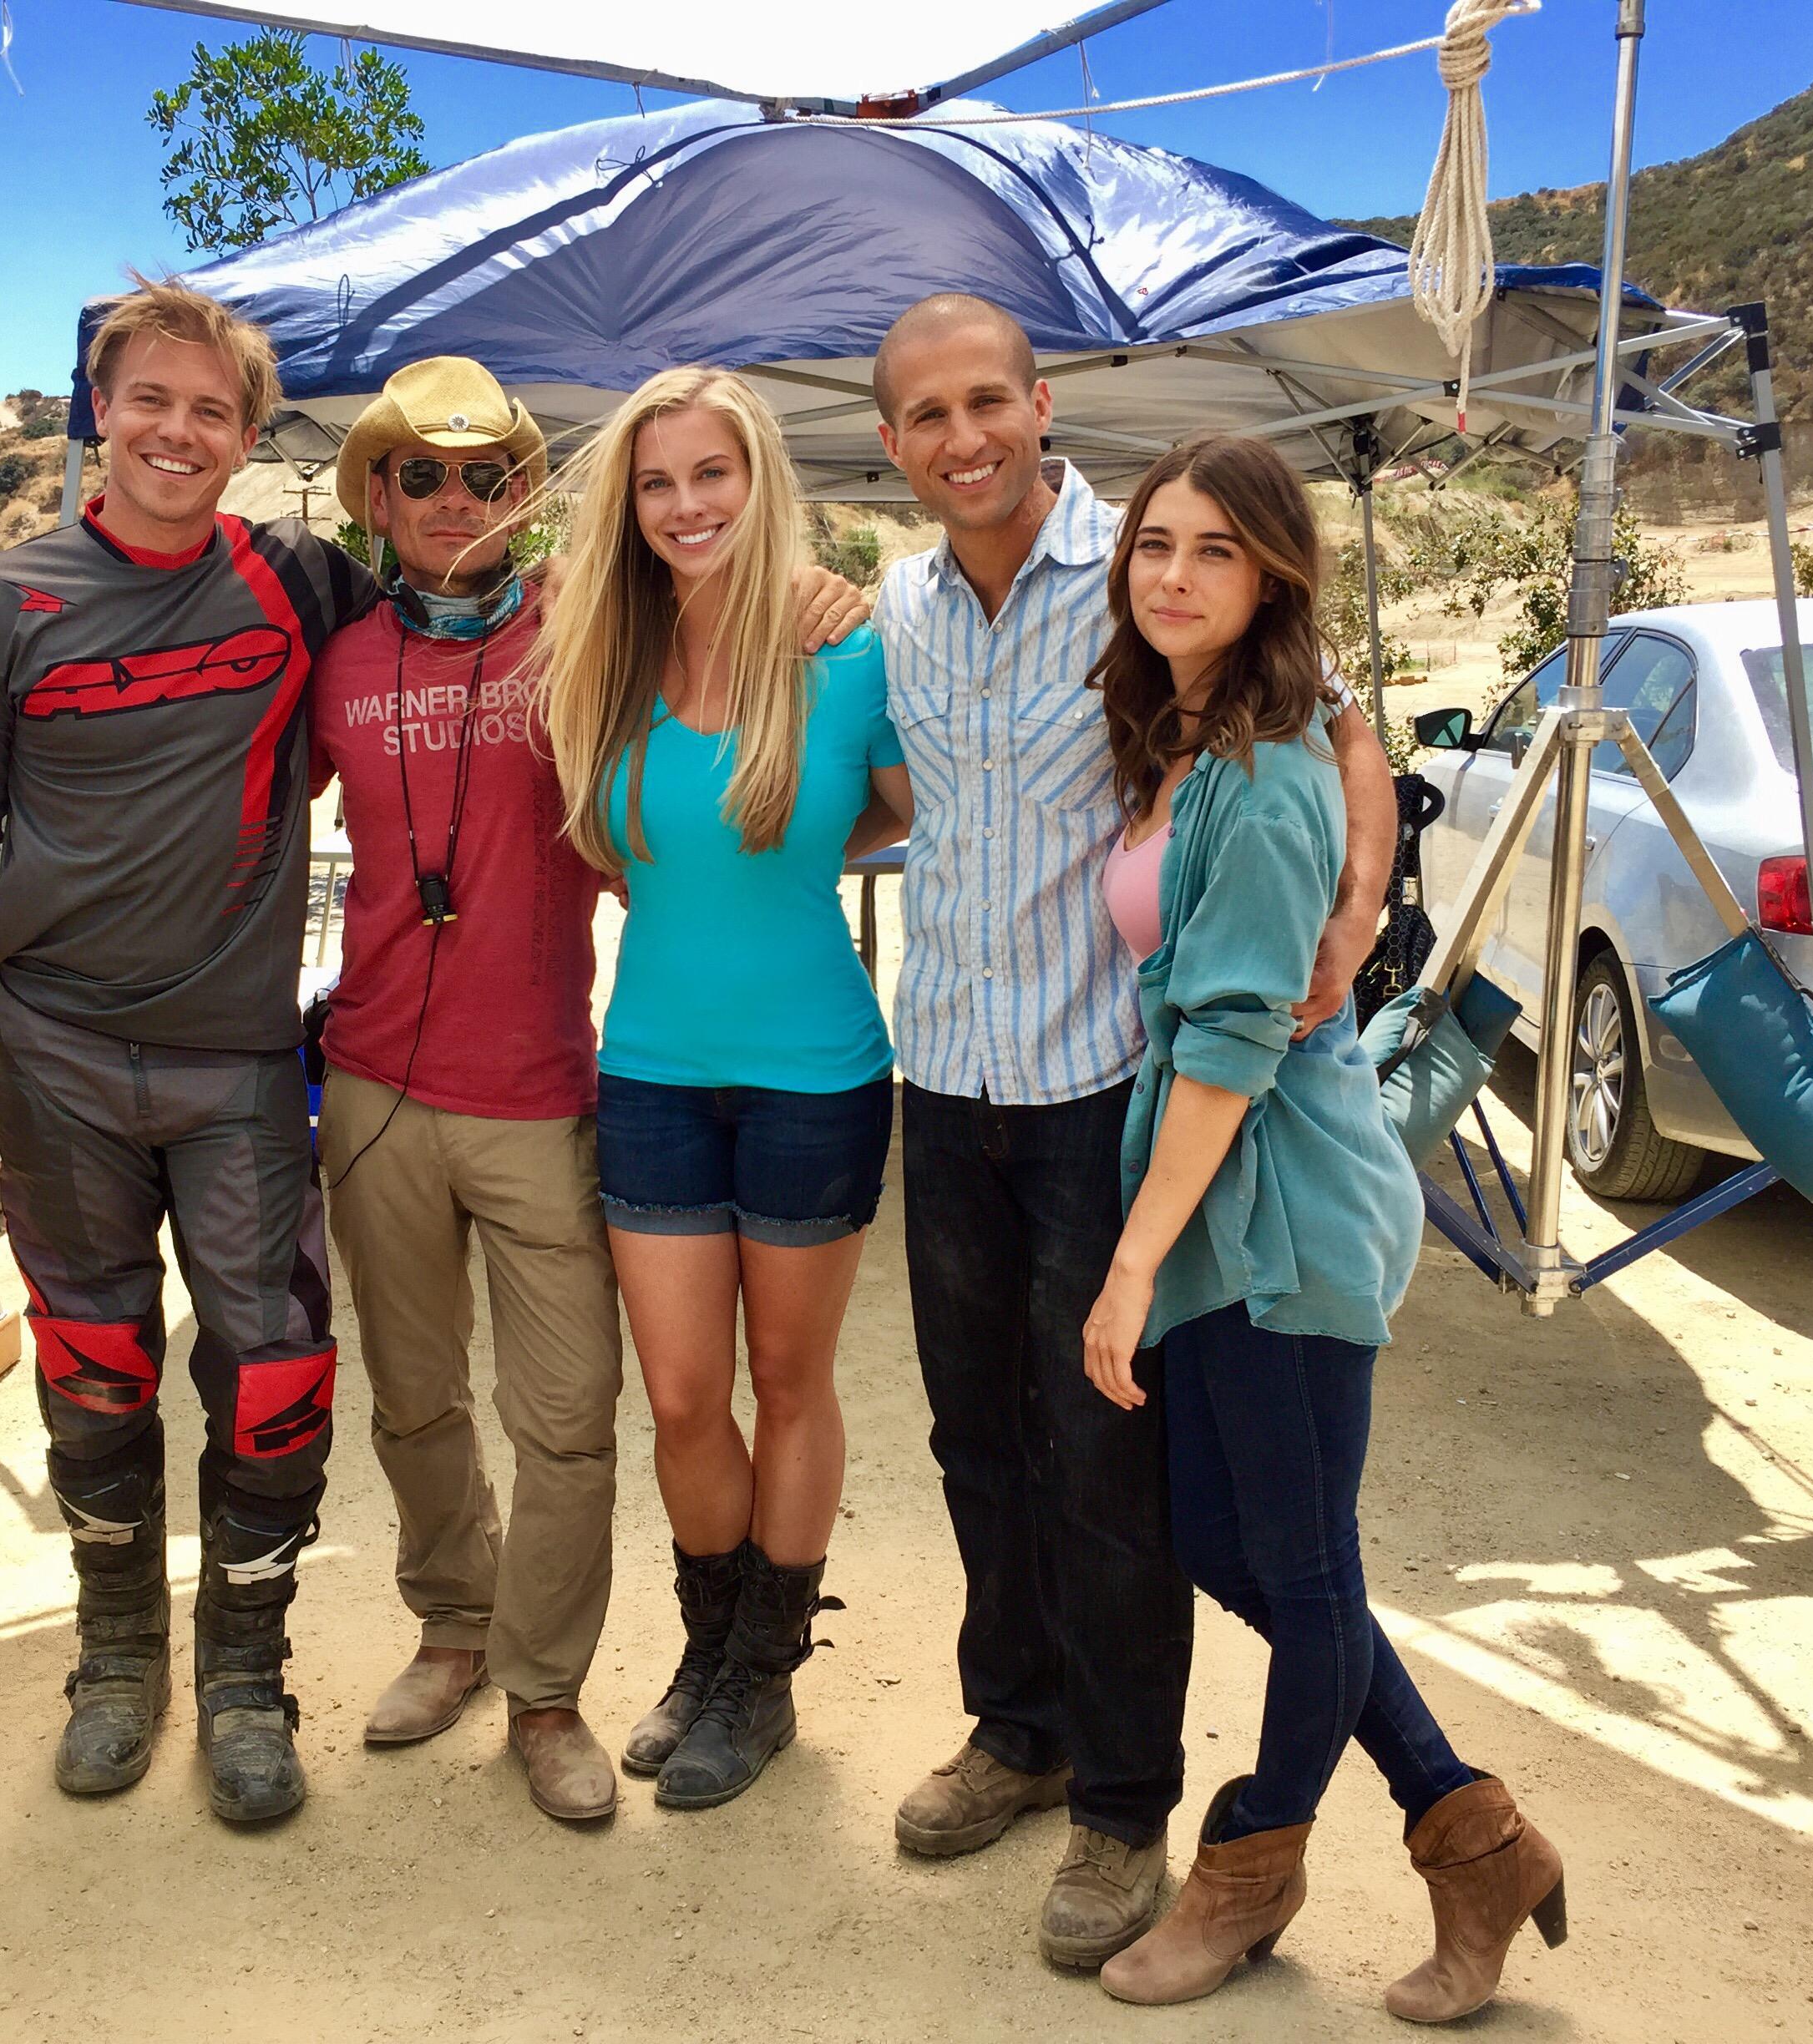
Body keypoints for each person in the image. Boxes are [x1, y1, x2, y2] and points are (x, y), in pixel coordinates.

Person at [868, 293, 1398, 1968]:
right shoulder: (891, 608)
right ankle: (1015, 1730)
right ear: (891, 442)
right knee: (976, 1441)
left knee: (1105, 1463)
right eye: (926, 415)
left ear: (1038, 404)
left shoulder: (1146, 564)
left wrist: (1360, 901)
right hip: (944, 1080)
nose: (964, 438)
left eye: (987, 402)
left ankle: (1120, 1801)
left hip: (1103, 1084)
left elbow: (1340, 716)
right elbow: (897, 790)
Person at [310, 357, 873, 1824]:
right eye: (422, 475)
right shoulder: (362, 653)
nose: (455, 500)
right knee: (487, 1399)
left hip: (587, 1077)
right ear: (376, 492)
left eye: (491, 474)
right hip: (424, 1078)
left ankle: (594, 1687)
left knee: (617, 1409)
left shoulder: (635, 636)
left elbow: (942, 784)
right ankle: (498, 1637)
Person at [1076, 434, 1562, 2023]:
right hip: (1229, 1208)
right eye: (1156, 543)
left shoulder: (1270, 773)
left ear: (1271, 573)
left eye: (1215, 551)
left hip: (1280, 1211)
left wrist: (1130, 1261)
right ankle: (1473, 1832)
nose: (1173, 574)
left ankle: (1251, 1870)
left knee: (1295, 1553)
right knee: (1240, 1545)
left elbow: (1227, 1040)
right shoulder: (1205, 737)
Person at [0, 277, 375, 1825]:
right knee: (94, 1371)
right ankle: (118, 1663)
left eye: (214, 410)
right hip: (50, 1056)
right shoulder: (3, 604)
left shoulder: (305, 584)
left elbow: (490, 604)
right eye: (151, 400)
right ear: (99, 411)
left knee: (279, 1373)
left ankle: (247, 1674)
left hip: (239, 1060)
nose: (180, 432)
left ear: (249, 436)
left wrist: (799, 598)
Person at [533, 366, 911, 1811]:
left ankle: (761, 1682)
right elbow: (625, 853)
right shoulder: (602, 657)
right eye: (657, 481)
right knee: (685, 1394)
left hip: (818, 1074)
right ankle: (709, 1651)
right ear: (628, 506)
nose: (687, 505)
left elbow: (900, 803)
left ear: (761, 485)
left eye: (714, 474)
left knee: (789, 1382)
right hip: (653, 1073)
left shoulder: (847, 652)